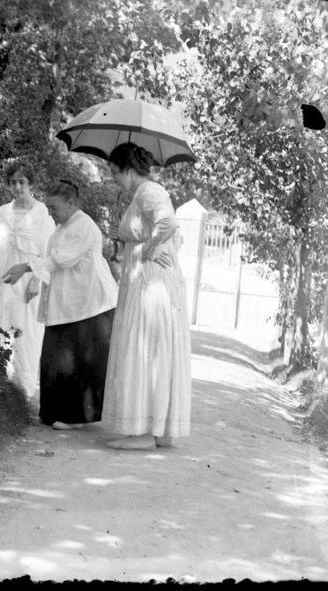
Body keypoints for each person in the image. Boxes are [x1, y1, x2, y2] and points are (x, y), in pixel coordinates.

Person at [2, 180, 119, 430]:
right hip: (69, 302)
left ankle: (74, 417)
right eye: (49, 208)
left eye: (55, 208)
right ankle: (54, 412)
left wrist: (25, 267)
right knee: (57, 357)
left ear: (72, 203)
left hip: (91, 303)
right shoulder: (61, 227)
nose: (52, 213)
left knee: (77, 360)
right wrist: (36, 278)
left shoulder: (84, 226)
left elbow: (60, 259)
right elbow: (51, 261)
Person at [101, 142, 191, 450]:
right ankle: (156, 428)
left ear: (128, 170)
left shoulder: (150, 192)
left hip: (151, 284)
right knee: (149, 349)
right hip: (143, 281)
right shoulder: (140, 196)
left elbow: (169, 223)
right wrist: (123, 235)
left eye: (114, 172)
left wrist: (153, 248)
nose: (113, 178)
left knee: (146, 349)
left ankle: (145, 432)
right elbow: (159, 231)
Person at [0, 162, 56, 398]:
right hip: (2, 273)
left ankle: (21, 390)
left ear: (30, 184)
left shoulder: (42, 214)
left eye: (22, 182)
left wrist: (36, 280)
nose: (17, 187)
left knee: (25, 329)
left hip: (27, 277)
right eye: (13, 182)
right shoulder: (4, 211)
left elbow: (47, 252)